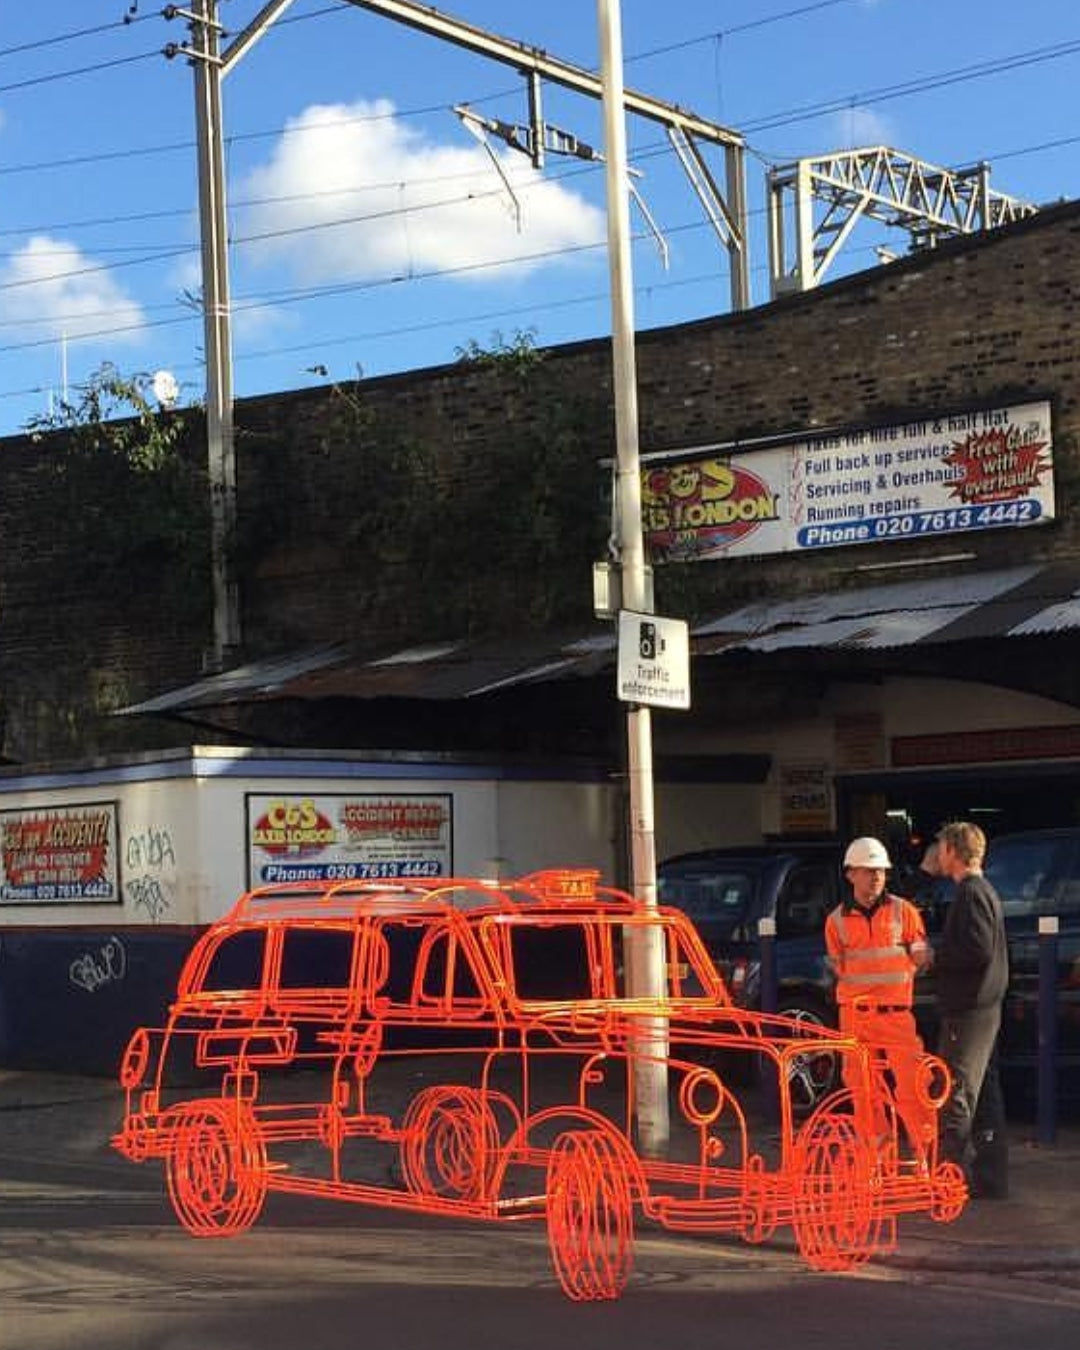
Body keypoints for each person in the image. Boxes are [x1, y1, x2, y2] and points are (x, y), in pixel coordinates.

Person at [825, 836, 932, 1151]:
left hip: (895, 1015)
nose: (876, 877)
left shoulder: (905, 912)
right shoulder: (835, 921)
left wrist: (923, 958)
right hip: (855, 1017)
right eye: (869, 870)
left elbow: (920, 955)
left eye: (881, 871)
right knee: (863, 1090)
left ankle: (924, 1155)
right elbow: (838, 967)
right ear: (851, 874)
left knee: (913, 1086)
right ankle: (876, 1158)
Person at [931, 821, 1009, 1191]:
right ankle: (991, 1177)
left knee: (956, 1090)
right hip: (985, 1007)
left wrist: (934, 956)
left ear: (953, 851)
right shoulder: (985, 891)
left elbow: (976, 949)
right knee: (985, 1092)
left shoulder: (970, 894)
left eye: (942, 848)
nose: (938, 855)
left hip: (969, 1008)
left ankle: (947, 1177)